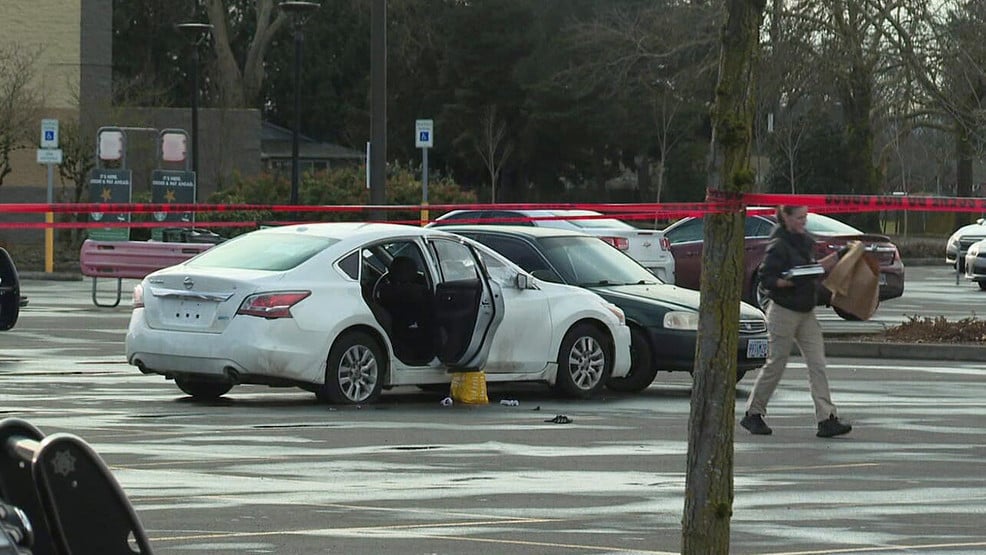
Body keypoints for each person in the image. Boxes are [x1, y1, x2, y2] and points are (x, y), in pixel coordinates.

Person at [740, 205, 853, 438]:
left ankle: (826, 418)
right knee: (776, 364)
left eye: (806, 216)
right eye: (800, 217)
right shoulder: (778, 245)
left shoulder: (804, 241)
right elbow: (767, 278)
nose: (804, 221)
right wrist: (790, 281)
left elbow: (816, 268)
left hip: (806, 311)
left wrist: (843, 254)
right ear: (786, 217)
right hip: (783, 311)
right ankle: (753, 413)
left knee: (817, 364)